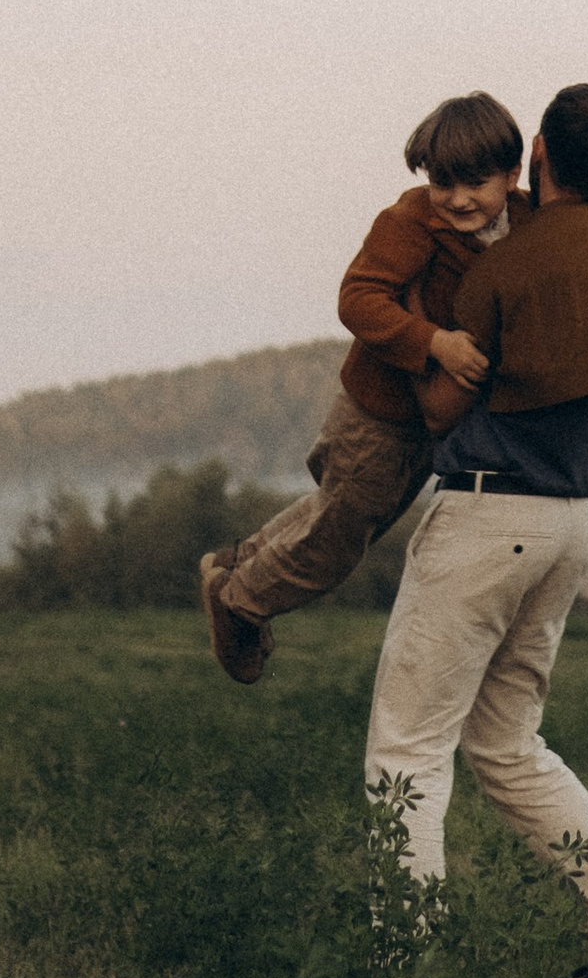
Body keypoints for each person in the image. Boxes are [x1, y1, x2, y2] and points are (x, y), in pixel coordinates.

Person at [361, 83, 588, 978]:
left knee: (406, 754)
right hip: (571, 525)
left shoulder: (501, 275)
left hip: (484, 514)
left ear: (537, 158)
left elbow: (439, 405)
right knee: (508, 744)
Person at [196, 92, 523, 682]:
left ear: (513, 175)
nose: (458, 199)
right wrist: (435, 342)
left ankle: (236, 562)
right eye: (442, 182)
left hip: (421, 426)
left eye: (475, 182)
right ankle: (240, 601)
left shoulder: (522, 222)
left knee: (348, 516)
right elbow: (358, 297)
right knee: (340, 541)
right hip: (376, 416)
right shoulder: (410, 224)